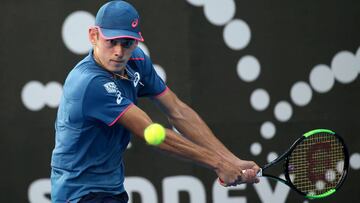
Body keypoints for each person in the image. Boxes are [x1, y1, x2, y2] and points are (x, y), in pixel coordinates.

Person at [50, 1, 260, 202]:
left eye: (127, 43)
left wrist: (231, 160)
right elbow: (152, 134)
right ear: (93, 36)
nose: (119, 52)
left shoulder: (137, 61)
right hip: (78, 194)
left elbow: (177, 111)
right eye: (111, 41)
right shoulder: (90, 83)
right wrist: (218, 164)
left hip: (111, 189)